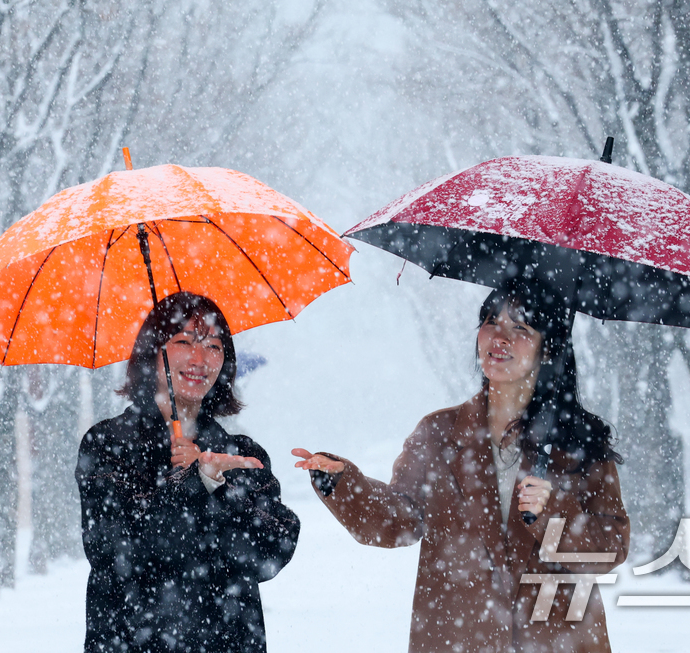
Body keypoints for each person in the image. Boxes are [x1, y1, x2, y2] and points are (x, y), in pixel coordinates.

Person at [293, 279, 629, 653]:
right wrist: (342, 484)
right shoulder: (438, 433)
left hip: (556, 640)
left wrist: (553, 515)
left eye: (519, 328)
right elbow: (399, 521)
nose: (498, 338)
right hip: (459, 637)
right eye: (490, 322)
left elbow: (608, 548)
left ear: (547, 348)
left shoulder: (579, 444)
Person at [77, 291, 300, 653]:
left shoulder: (241, 453)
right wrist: (189, 482)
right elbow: (114, 552)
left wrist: (218, 485)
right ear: (153, 352)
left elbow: (271, 552)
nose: (199, 359)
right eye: (183, 342)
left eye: (213, 346)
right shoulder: (106, 445)